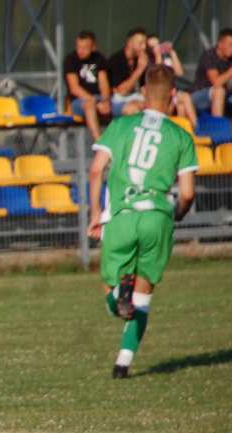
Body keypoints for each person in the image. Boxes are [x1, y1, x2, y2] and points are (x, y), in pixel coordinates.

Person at [87, 64, 197, 379]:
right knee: (143, 297)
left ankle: (119, 296)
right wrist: (175, 215)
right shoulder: (181, 135)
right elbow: (187, 193)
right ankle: (122, 365)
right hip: (158, 216)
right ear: (174, 95)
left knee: (114, 300)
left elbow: (96, 170)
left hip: (122, 216)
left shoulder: (121, 126)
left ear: (144, 93)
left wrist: (96, 212)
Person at [64, 30, 111, 140]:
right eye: (78, 46)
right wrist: (94, 101)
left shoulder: (99, 59)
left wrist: (105, 101)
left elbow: (104, 84)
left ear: (93, 47)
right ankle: (99, 142)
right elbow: (74, 88)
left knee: (128, 108)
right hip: (79, 101)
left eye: (85, 48)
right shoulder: (70, 60)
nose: (80, 51)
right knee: (89, 105)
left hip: (99, 99)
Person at [146, 35, 199, 128]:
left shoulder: (166, 60)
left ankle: (191, 128)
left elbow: (180, 73)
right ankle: (192, 128)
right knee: (184, 99)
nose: (158, 47)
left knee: (182, 104)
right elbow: (159, 74)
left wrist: (172, 52)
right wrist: (157, 55)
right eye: (154, 46)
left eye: (158, 44)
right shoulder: (150, 63)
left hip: (173, 93)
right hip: (161, 95)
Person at [107, 28, 150, 116]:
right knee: (133, 108)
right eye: (140, 43)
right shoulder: (116, 60)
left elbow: (143, 88)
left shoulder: (140, 59)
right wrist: (140, 69)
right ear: (130, 43)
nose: (144, 47)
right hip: (120, 101)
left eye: (145, 43)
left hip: (138, 98)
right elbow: (121, 91)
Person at [191, 28, 232, 118]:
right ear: (220, 44)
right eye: (230, 45)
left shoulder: (229, 59)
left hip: (222, 94)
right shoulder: (209, 55)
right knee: (219, 91)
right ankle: (217, 128)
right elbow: (216, 83)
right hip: (199, 95)